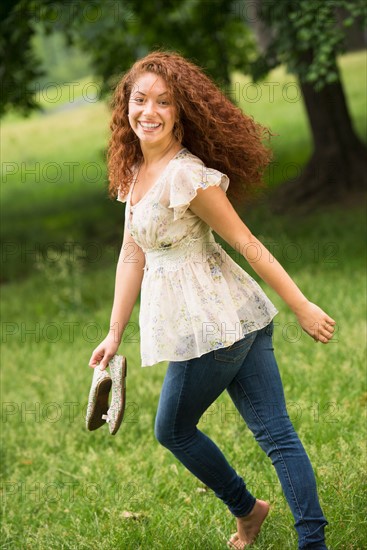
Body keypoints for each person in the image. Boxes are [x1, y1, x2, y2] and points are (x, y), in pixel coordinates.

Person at [89, 51, 335, 549]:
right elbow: (130, 255)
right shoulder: (134, 171)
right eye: (140, 100)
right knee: (279, 436)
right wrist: (114, 332)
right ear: (126, 105)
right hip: (232, 319)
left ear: (181, 111)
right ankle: (305, 536)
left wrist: (301, 305)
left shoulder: (186, 175)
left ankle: (249, 510)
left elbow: (248, 244)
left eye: (164, 101)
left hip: (216, 328)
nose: (149, 112)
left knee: (173, 429)